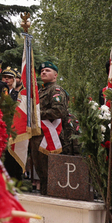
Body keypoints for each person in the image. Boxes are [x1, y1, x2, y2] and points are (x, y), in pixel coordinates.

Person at [28, 60, 69, 194]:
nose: (44, 72)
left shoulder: (56, 90)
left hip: (49, 138)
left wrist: (37, 115)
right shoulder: (40, 91)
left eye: (48, 71)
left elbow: (59, 112)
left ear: (55, 75)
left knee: (49, 174)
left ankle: (50, 199)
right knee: (41, 174)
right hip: (37, 136)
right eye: (42, 71)